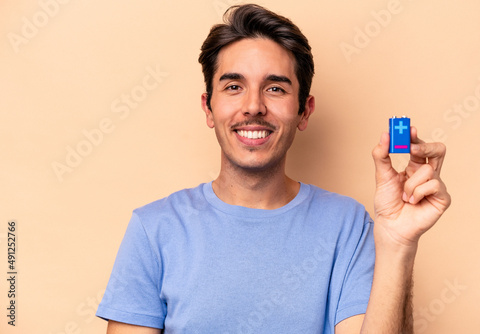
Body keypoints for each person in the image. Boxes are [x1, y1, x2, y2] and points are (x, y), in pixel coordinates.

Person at [96, 4, 451, 333]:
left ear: (304, 111)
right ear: (208, 107)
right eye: (234, 86)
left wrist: (397, 243)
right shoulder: (153, 229)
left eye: (276, 88)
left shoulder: (349, 226)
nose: (253, 106)